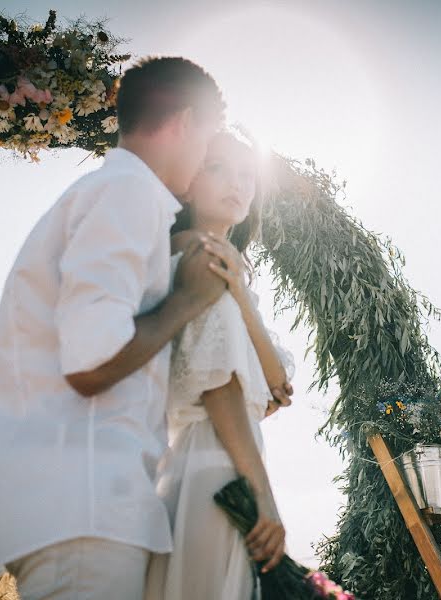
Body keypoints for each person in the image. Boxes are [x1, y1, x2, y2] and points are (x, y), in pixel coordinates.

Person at [0, 56, 226, 600]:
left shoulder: (108, 194)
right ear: (185, 121)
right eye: (209, 137)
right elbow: (92, 362)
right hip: (87, 510)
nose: (208, 157)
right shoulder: (127, 193)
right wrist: (187, 301)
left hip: (79, 508)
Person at [145, 129, 295, 600]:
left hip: (216, 465)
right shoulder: (198, 255)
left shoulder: (228, 268)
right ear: (187, 181)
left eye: (247, 174)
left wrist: (242, 301)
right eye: (218, 168)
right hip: (216, 470)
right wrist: (265, 498)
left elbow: (278, 387)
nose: (238, 183)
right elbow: (220, 388)